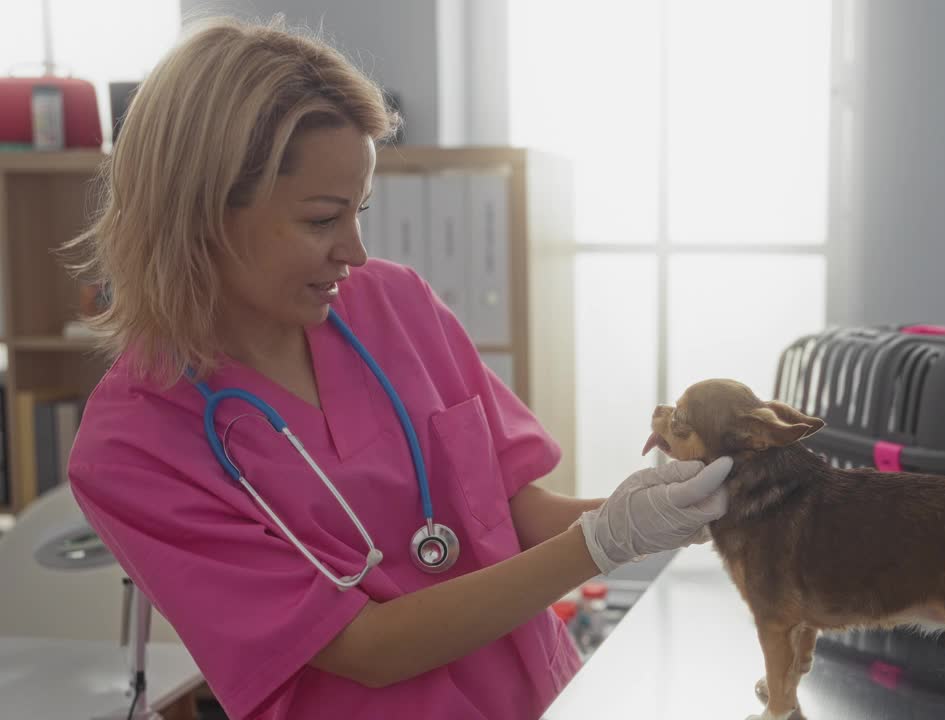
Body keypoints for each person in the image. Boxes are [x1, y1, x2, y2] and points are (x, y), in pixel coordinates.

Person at [62, 15, 733, 720]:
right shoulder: (131, 451)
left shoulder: (393, 305)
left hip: (544, 698)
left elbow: (512, 513)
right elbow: (366, 649)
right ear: (200, 214)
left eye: (361, 210)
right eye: (323, 219)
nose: (353, 250)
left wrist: (665, 508)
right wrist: (605, 543)